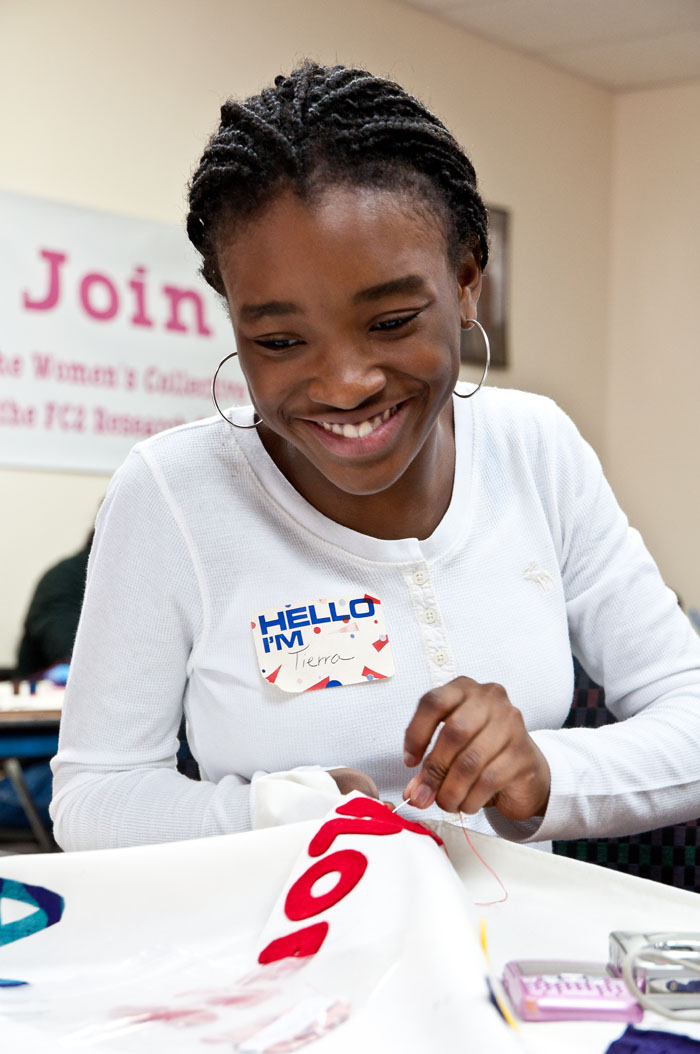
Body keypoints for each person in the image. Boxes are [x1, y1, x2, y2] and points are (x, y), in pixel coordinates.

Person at [50, 62, 700, 853]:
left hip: (516, 959)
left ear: (466, 285)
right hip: (285, 961)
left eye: (390, 321)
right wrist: (273, 814)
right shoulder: (172, 494)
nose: (345, 384)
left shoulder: (539, 448)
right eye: (279, 341)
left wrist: (543, 771)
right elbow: (95, 800)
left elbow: (689, 712)